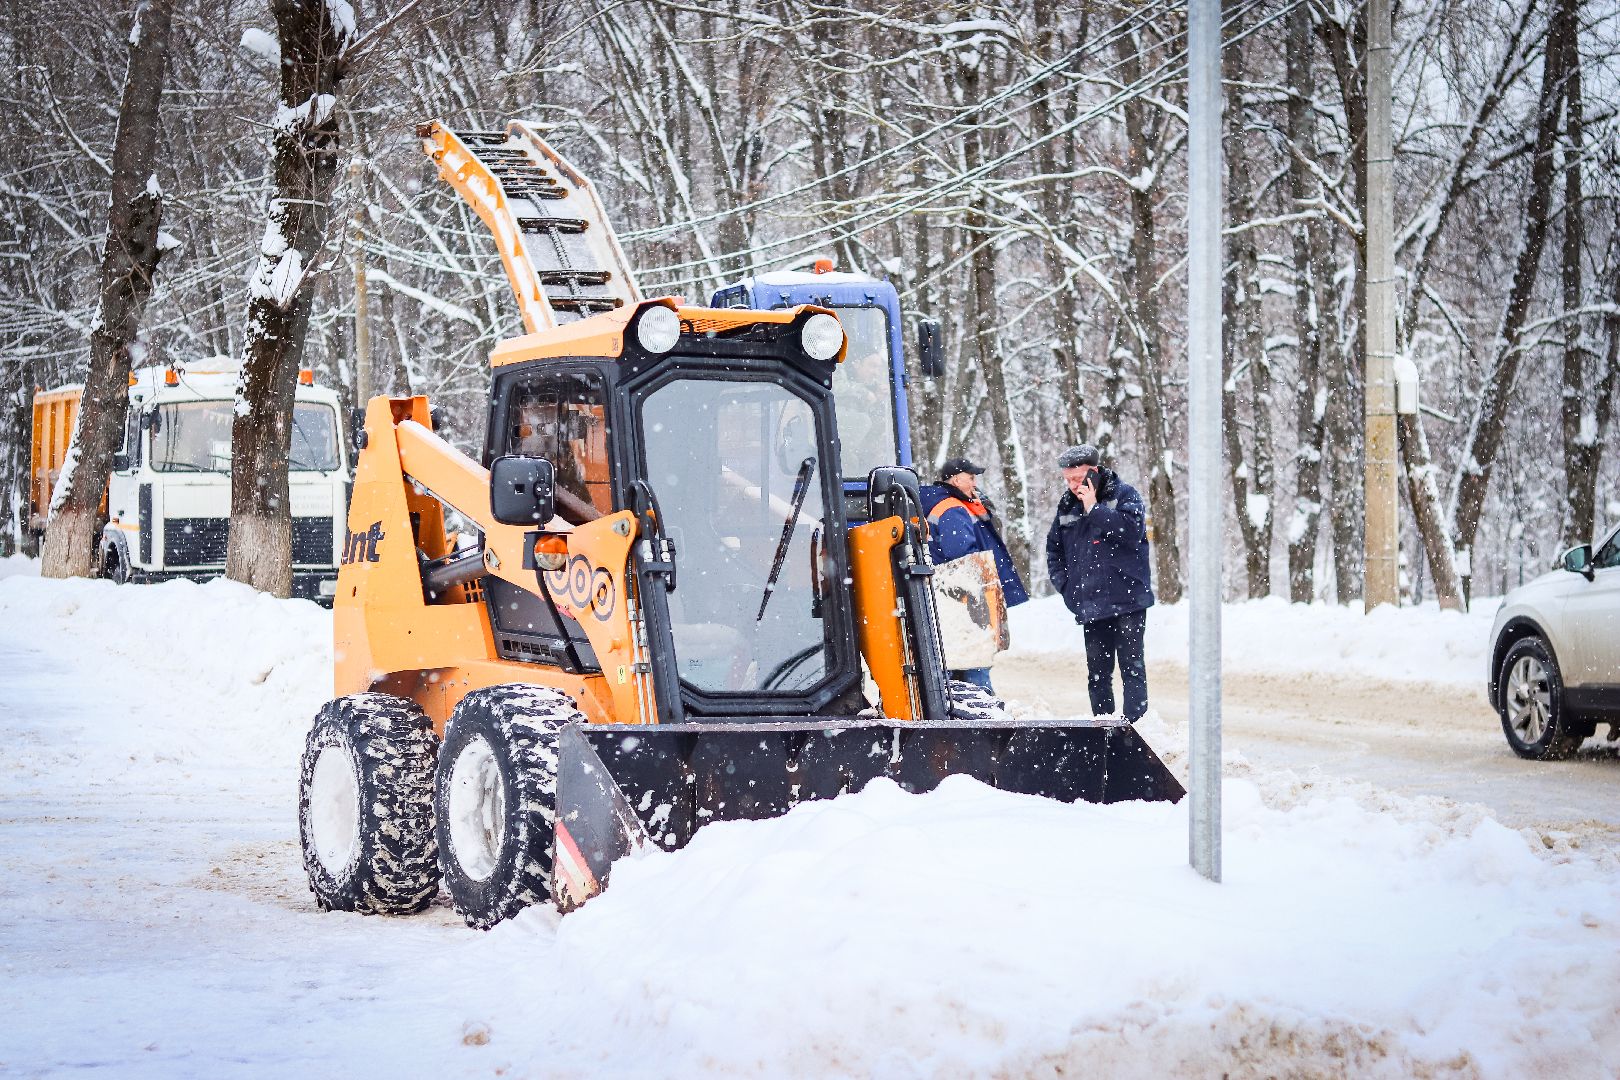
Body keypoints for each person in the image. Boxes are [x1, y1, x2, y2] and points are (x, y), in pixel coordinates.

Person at [1044, 444, 1154, 721]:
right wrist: (1068, 589)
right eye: (1067, 479)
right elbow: (1054, 550)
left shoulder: (1124, 495)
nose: (1072, 485)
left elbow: (1131, 532)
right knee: (1098, 674)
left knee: (1132, 668)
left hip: (1127, 599)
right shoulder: (1067, 506)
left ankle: (1136, 730)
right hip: (1091, 604)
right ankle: (1102, 729)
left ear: (1094, 473)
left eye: (1078, 478)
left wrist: (1093, 508)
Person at [920, 456, 1029, 691]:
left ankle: (951, 711)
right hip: (966, 598)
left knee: (952, 662)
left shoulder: (941, 502)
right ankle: (983, 713)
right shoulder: (952, 507)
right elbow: (962, 554)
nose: (974, 483)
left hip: (946, 596)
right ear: (956, 479)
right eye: (971, 478)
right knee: (975, 662)